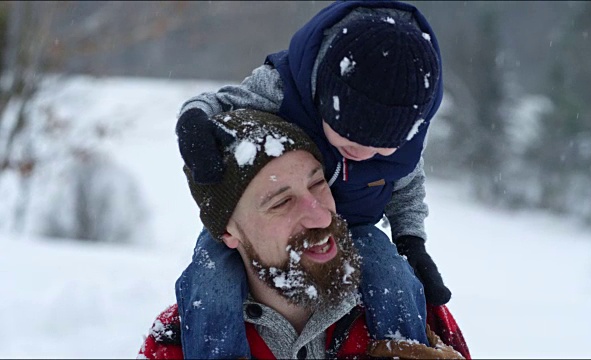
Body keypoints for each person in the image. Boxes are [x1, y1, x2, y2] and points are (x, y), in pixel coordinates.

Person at [175, 1, 451, 358]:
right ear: (323, 98)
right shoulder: (280, 88)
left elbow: (406, 183)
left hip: (357, 228)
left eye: (382, 149)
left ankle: (405, 349)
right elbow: (218, 102)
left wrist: (411, 241)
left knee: (392, 276)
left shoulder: (408, 128)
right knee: (209, 284)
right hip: (257, 233)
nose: (365, 155)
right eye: (350, 141)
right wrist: (193, 121)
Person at [139, 109, 465, 359]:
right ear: (228, 231)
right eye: (281, 202)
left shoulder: (419, 313)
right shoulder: (174, 342)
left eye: (317, 183)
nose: (321, 215)